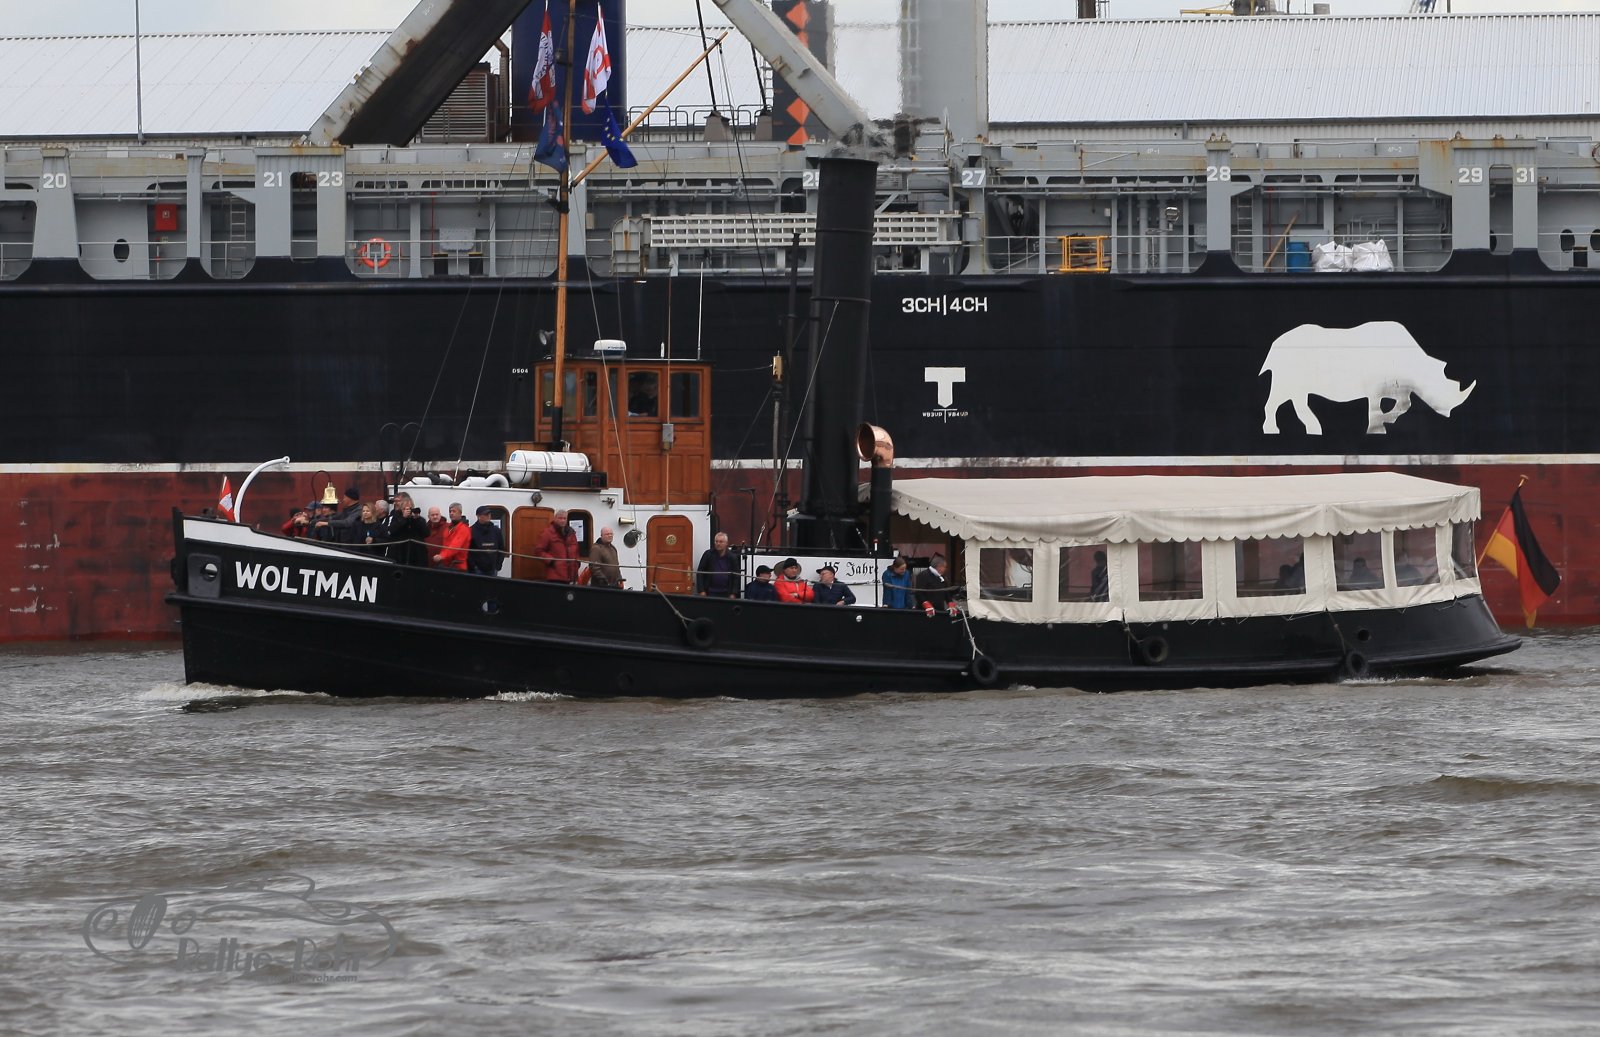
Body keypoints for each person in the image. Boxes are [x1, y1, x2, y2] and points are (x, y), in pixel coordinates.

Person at [384, 492, 430, 567]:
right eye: (405, 508)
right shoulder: (395, 517)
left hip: (416, 554)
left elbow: (426, 533)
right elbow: (391, 531)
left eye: (410, 508)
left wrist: (417, 519)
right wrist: (403, 519)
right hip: (399, 553)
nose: (408, 511)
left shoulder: (418, 519)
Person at [534, 509, 580, 583]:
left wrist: (577, 562)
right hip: (555, 575)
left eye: (564, 518)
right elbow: (539, 550)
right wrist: (551, 561)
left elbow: (576, 550)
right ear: (555, 518)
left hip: (571, 575)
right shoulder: (548, 533)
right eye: (560, 518)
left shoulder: (571, 534)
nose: (562, 520)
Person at [696, 532, 741, 598]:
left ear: (726, 543)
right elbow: (700, 572)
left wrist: (733, 593)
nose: (718, 544)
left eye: (721, 542)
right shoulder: (708, 554)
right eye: (716, 541)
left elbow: (736, 576)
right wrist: (701, 590)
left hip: (726, 593)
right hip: (710, 592)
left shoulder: (732, 557)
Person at [468, 505, 506, 576]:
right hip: (477, 570)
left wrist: (498, 565)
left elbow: (501, 549)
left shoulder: (496, 531)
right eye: (485, 514)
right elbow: (468, 551)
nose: (488, 516)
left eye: (489, 513)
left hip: (492, 569)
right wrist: (473, 566)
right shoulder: (471, 531)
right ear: (478, 516)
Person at [433, 502, 471, 571]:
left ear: (460, 513)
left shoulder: (464, 529)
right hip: (447, 565)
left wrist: (441, 556)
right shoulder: (448, 528)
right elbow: (445, 546)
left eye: (454, 511)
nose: (451, 513)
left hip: (458, 567)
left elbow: (455, 546)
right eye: (450, 511)